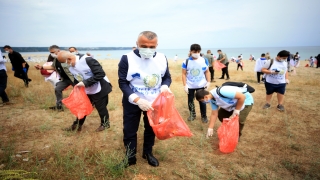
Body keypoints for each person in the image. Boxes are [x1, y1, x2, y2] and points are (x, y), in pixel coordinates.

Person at [118, 31, 172, 168]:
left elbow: (166, 76)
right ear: (137, 44)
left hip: (154, 101)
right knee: (130, 129)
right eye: (144, 46)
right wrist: (137, 100)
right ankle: (130, 157)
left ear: (157, 45)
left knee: (151, 128)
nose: (148, 49)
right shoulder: (127, 58)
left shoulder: (162, 58)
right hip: (133, 101)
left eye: (152, 47)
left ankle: (148, 153)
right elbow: (123, 82)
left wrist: (165, 86)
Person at [57, 50, 112, 132]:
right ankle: (77, 125)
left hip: (99, 87)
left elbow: (100, 74)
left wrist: (85, 83)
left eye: (65, 63)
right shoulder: (71, 67)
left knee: (101, 107)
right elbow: (76, 78)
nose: (66, 65)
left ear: (69, 58)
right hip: (86, 89)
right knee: (82, 107)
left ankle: (105, 124)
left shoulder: (87, 60)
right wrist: (77, 86)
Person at [35, 45, 74, 111]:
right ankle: (59, 106)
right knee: (58, 89)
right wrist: (41, 67)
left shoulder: (67, 57)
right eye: (50, 52)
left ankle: (89, 104)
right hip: (65, 79)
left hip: (74, 78)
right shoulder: (56, 59)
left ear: (58, 51)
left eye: (53, 52)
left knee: (81, 91)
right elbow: (53, 67)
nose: (51, 54)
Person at [182, 44, 210, 123]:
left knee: (202, 100)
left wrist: (208, 82)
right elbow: (183, 74)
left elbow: (207, 72)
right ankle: (192, 114)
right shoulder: (186, 61)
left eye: (198, 51)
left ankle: (204, 116)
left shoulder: (204, 60)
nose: (196, 53)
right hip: (190, 85)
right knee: (190, 100)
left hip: (201, 85)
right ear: (190, 51)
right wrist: (185, 85)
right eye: (194, 52)